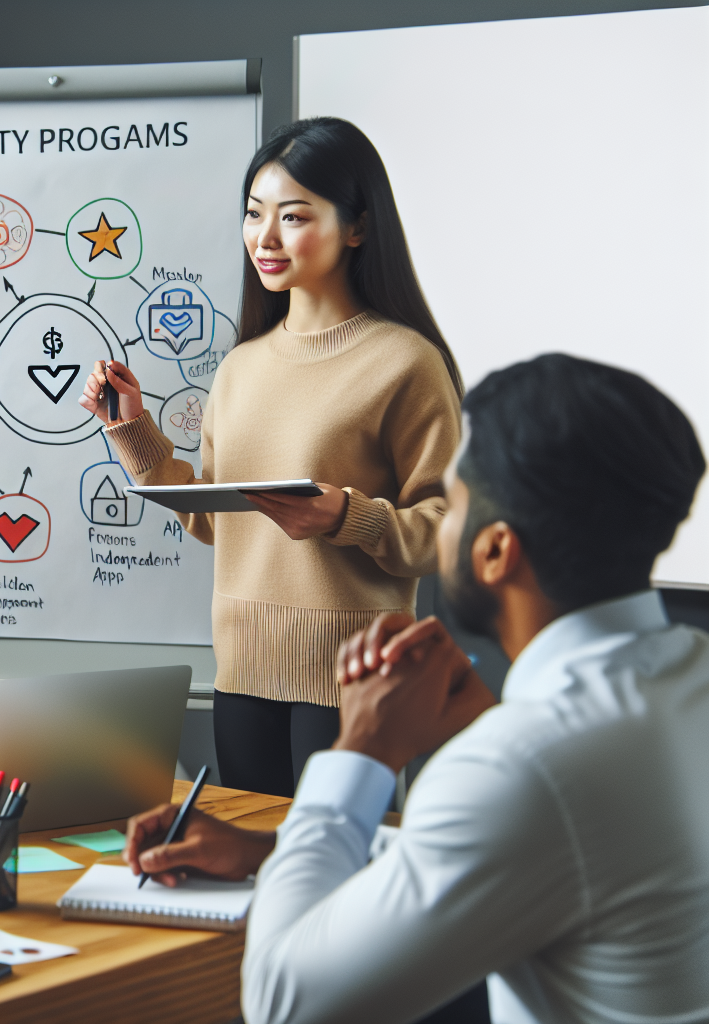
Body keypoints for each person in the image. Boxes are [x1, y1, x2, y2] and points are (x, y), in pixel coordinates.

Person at [123, 354, 709, 1023]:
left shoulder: (523, 762)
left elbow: (284, 1003)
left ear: (494, 551)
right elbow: (521, 849)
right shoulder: (690, 674)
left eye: (451, 503)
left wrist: (362, 751)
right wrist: (269, 850)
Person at [80, 117, 463, 797]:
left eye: (293, 216)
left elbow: (442, 533)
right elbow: (217, 519)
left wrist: (345, 515)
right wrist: (134, 432)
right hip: (243, 667)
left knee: (337, 879)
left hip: (355, 673)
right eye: (254, 214)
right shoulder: (242, 366)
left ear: (358, 227)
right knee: (257, 882)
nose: (265, 237)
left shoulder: (406, 362)